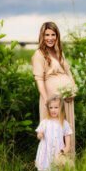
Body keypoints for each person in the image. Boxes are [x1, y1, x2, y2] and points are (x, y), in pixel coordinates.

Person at [31, 21, 76, 158]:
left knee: (67, 133)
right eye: (47, 35)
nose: (50, 38)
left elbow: (69, 73)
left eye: (53, 35)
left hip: (66, 100)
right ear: (42, 36)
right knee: (52, 136)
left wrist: (73, 91)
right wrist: (46, 100)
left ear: (57, 36)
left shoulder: (59, 53)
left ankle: (67, 168)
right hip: (51, 101)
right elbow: (39, 79)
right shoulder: (39, 54)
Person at [35, 95, 73, 171]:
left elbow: (67, 138)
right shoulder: (45, 122)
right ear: (48, 109)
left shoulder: (64, 122)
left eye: (56, 107)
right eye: (51, 107)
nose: (53, 110)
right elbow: (39, 134)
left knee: (58, 169)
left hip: (58, 150)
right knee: (47, 170)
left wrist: (66, 148)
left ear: (61, 108)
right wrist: (40, 135)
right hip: (46, 150)